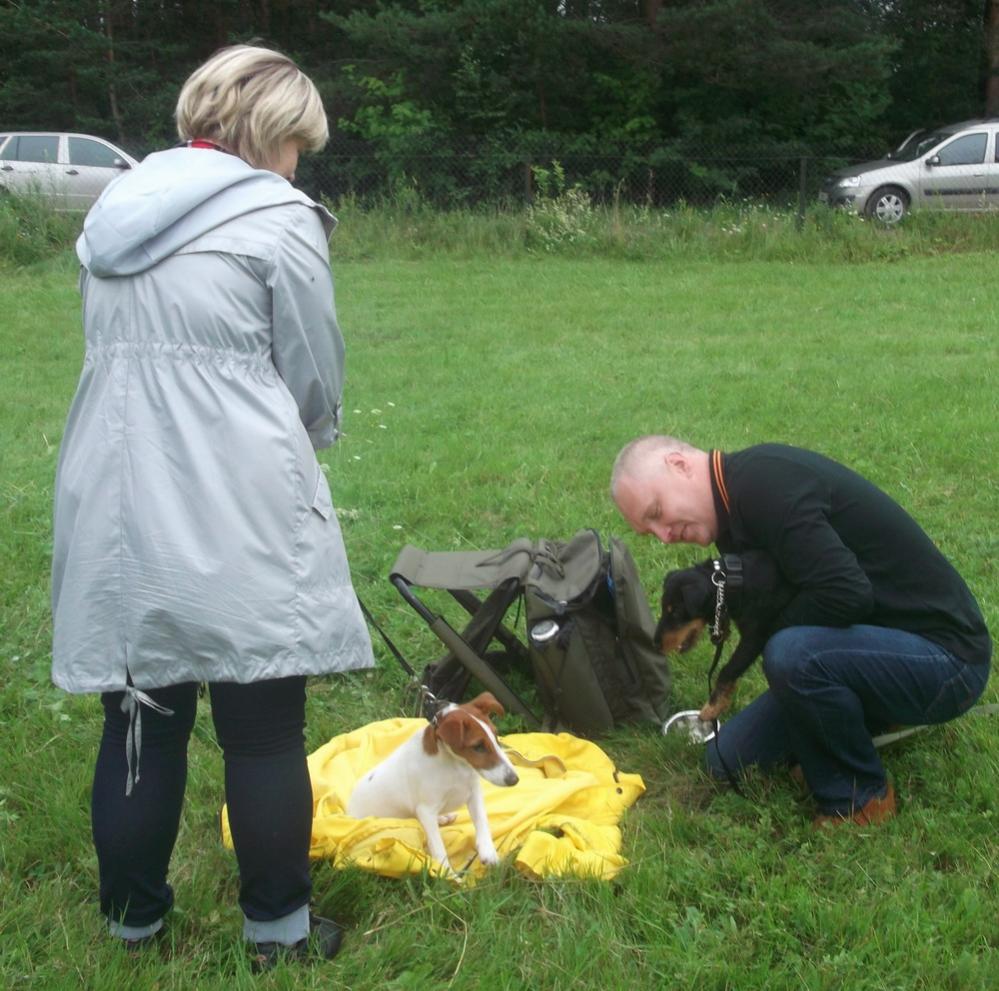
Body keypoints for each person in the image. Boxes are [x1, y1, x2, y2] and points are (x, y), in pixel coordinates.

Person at [50, 45, 374, 968]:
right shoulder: (279, 217)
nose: (299, 165)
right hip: (240, 494)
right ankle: (278, 933)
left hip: (116, 495)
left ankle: (133, 928)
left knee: (139, 720)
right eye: (299, 145)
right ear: (272, 133)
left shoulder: (114, 209)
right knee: (263, 727)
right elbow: (311, 373)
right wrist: (307, 436)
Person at [611, 436, 991, 826]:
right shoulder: (729, 512)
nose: (664, 536)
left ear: (679, 464)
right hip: (872, 646)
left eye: (657, 512)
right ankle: (864, 710)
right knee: (727, 759)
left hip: (946, 660)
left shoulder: (766, 486)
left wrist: (767, 641)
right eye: (649, 531)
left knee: (792, 653)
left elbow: (847, 595)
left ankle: (859, 800)